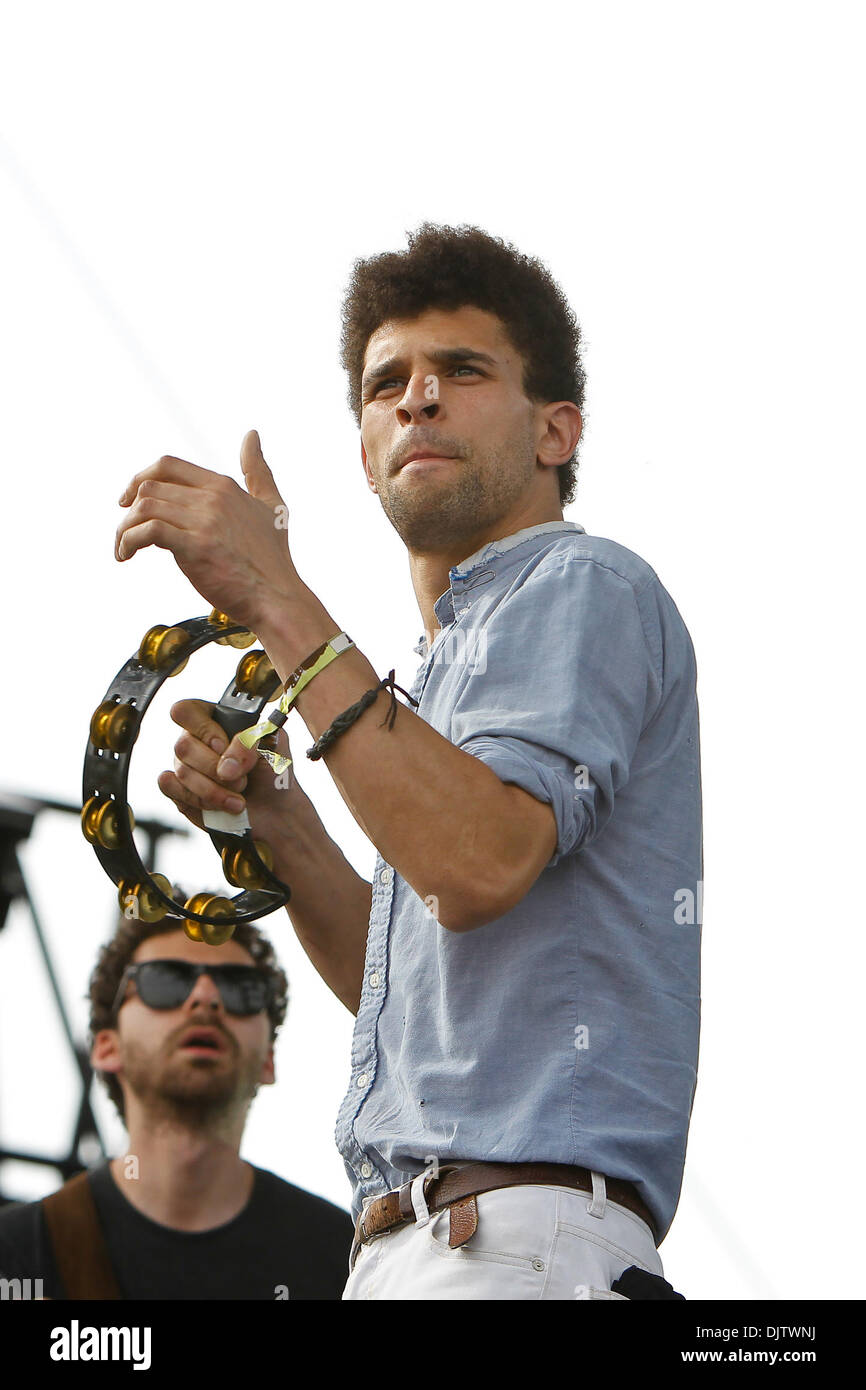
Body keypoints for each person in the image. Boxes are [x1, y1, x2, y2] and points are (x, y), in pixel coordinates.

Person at [112, 223, 702, 1300]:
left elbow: (473, 866)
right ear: (365, 449)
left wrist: (277, 597)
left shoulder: (580, 585)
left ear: (554, 431)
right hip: (417, 1248)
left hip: (511, 1244)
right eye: (388, 382)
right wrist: (277, 823)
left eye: (461, 371)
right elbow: (401, 985)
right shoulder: (426, 686)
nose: (416, 398)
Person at [0, 907, 353, 1299]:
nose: (206, 998)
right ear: (106, 1047)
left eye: (241, 990)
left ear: (268, 1060)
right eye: (165, 981)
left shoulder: (351, 1260)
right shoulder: (17, 1255)